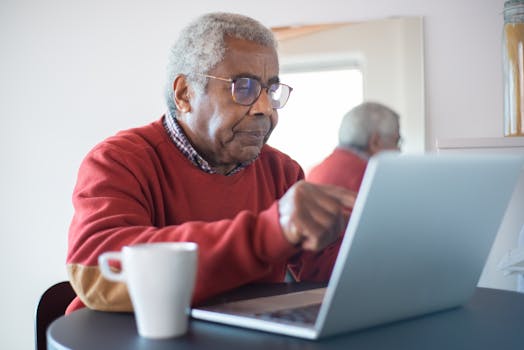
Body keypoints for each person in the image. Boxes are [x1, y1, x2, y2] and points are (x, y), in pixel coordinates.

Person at [65, 12, 355, 313]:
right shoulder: (119, 161)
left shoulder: (281, 171)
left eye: (270, 90)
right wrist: (266, 233)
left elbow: (327, 276)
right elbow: (97, 271)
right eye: (244, 87)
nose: (266, 109)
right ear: (184, 94)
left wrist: (351, 236)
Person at [307, 101, 401, 193]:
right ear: (375, 142)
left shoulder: (315, 171)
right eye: (397, 141)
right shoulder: (370, 178)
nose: (399, 150)